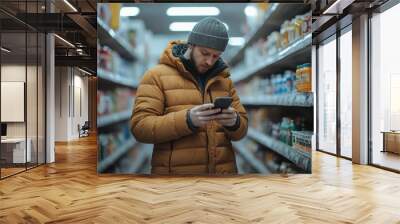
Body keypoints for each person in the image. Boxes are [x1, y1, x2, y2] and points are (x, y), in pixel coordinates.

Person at [130, 17, 248, 175]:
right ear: (191, 45)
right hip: (175, 183)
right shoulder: (156, 76)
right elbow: (140, 127)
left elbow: (241, 131)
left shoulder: (224, 81)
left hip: (221, 179)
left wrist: (235, 122)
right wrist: (187, 120)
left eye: (216, 56)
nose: (209, 62)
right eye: (204, 53)